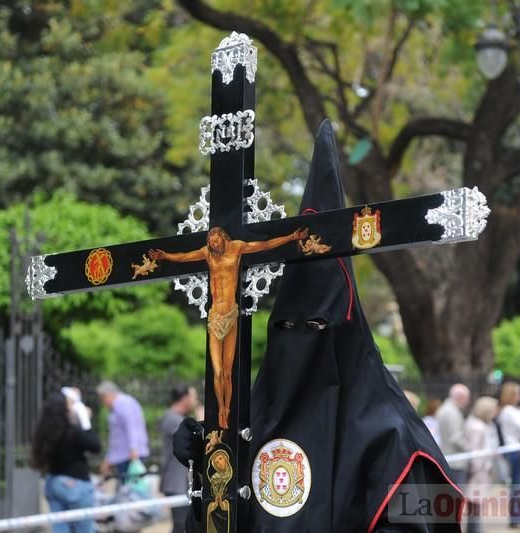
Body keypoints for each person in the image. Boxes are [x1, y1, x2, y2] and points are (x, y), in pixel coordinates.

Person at [174, 120, 462, 532]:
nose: (300, 338)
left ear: (346, 338)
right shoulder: (249, 425)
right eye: (288, 326)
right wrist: (207, 467)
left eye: (315, 326)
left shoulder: (398, 436)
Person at [150, 227, 307, 429]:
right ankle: (220, 407)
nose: (213, 245)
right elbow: (184, 257)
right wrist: (165, 255)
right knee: (216, 371)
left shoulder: (237, 247)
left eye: (216, 241)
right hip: (215, 316)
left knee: (227, 371)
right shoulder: (207, 253)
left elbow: (265, 244)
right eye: (211, 242)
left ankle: (226, 411)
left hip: (231, 314)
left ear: (223, 238)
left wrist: (292, 236)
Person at [32, 390, 101, 533]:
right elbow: (95, 445)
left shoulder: (45, 432)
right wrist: (85, 421)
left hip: (53, 483)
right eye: (70, 405)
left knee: (60, 529)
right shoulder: (71, 432)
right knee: (84, 528)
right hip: (74, 484)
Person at [159, 386, 198, 533]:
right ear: (184, 398)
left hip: (182, 481)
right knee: (181, 524)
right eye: (193, 397)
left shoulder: (177, 419)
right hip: (176, 481)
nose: (195, 401)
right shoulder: (173, 419)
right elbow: (194, 438)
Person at [497, 382, 520, 529]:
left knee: (517, 485)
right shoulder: (509, 411)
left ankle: (517, 518)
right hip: (515, 450)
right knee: (517, 486)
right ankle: (516, 519)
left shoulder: (509, 411)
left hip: (515, 449)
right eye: (518, 393)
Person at [97, 381, 149, 481]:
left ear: (108, 395)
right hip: (125, 455)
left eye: (102, 398)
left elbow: (132, 427)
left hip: (129, 456)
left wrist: (134, 449)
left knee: (131, 489)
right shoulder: (119, 404)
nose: (102, 402)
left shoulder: (123, 404)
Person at [465, 396, 499, 533]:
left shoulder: (476, 423)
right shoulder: (477, 427)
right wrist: (477, 468)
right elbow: (474, 450)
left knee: (476, 502)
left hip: (480, 470)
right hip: (478, 472)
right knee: (475, 501)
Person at [436, 384, 470, 484]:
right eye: (467, 398)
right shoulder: (452, 412)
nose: (468, 401)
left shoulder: (445, 409)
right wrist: (470, 449)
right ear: (460, 397)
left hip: (449, 458)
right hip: (455, 461)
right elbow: (456, 438)